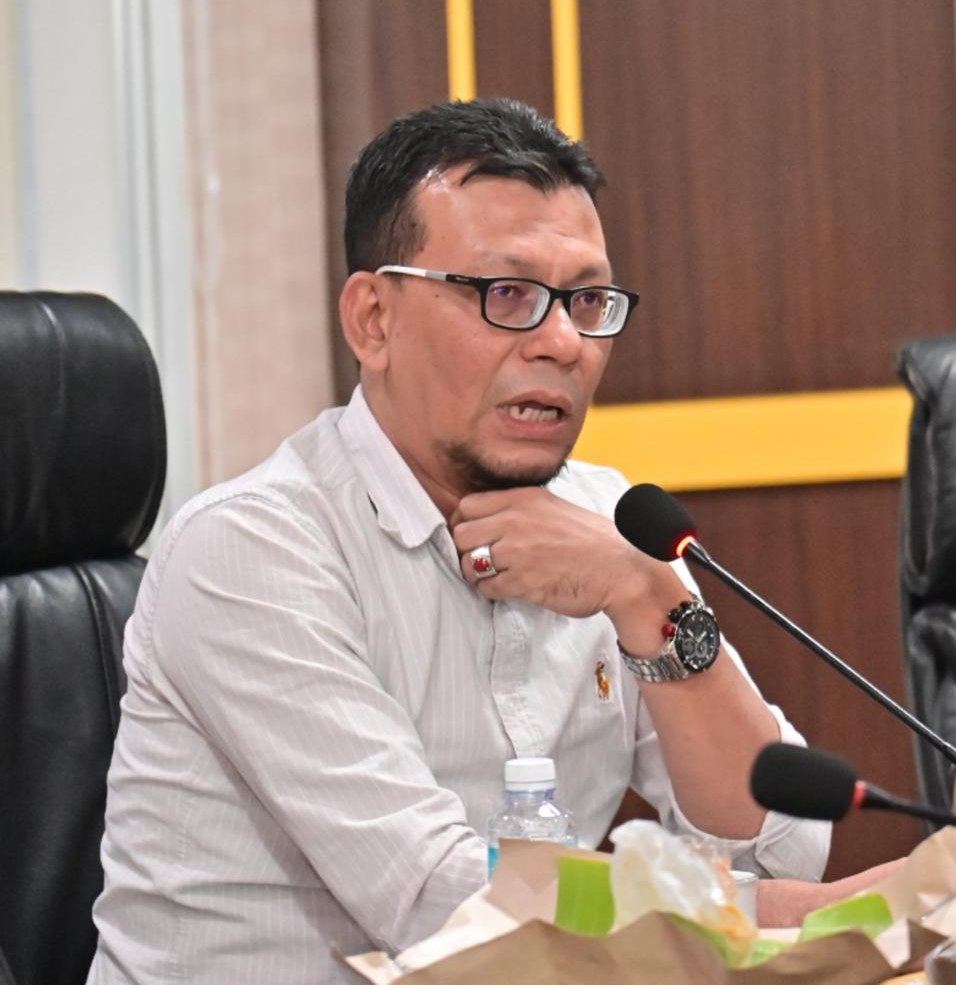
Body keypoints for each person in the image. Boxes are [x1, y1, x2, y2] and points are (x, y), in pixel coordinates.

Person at [87, 98, 829, 984]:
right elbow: (445, 904)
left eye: (587, 300)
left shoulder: (608, 523)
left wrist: (648, 596)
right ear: (373, 320)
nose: (563, 343)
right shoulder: (252, 551)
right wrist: (792, 918)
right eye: (507, 295)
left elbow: (782, 846)